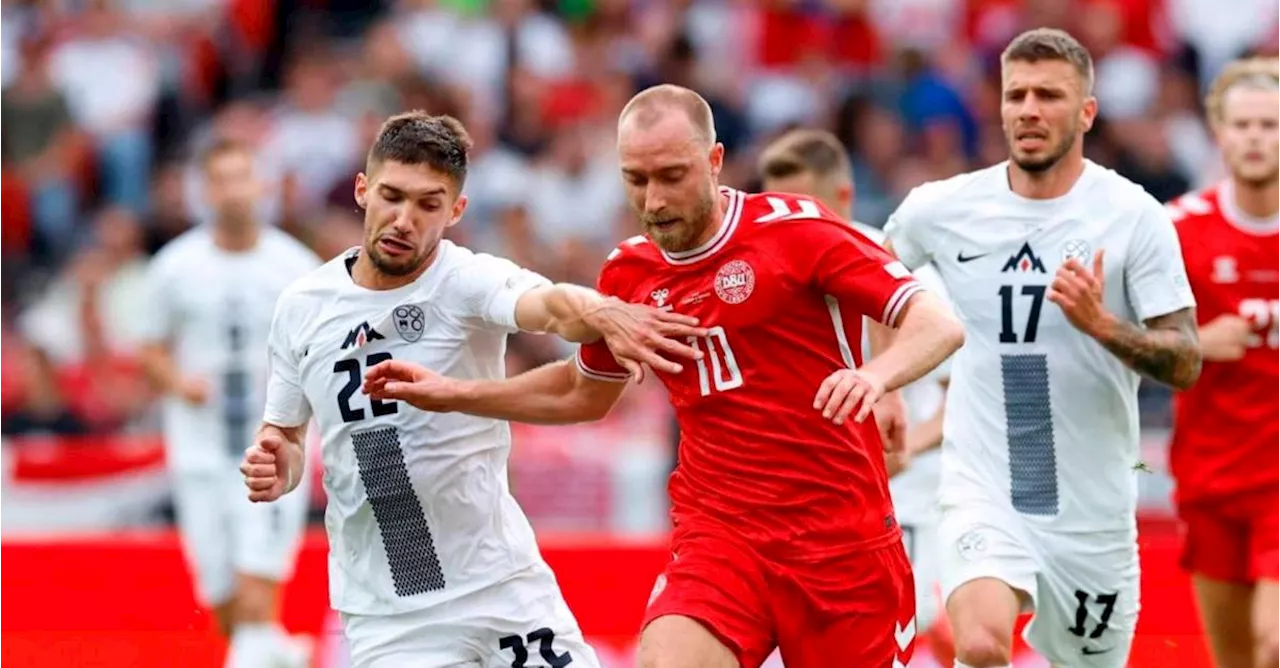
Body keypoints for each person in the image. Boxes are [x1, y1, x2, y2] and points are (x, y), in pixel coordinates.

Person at [362, 85, 967, 668]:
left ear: (715, 161)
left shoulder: (796, 231)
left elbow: (936, 323)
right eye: (636, 179)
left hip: (840, 543)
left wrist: (875, 376)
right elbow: (582, 392)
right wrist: (455, 395)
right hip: (721, 539)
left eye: (672, 176)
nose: (653, 200)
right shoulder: (628, 274)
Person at [237, 111, 703, 668]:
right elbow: (286, 435)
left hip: (501, 585)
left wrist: (603, 311)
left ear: (456, 211)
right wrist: (276, 463)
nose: (404, 219)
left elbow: (552, 306)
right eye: (392, 196)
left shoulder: (465, 282)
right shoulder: (302, 307)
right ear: (363, 190)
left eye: (428, 204)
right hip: (392, 616)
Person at [878, 28, 1204, 668]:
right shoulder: (940, 209)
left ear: (1086, 112)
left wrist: (1103, 325)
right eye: (1015, 94)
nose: (1029, 109)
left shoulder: (1132, 216)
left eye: (1049, 95)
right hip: (984, 484)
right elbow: (874, 277)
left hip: (1093, 507)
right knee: (978, 644)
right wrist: (886, 382)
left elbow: (1186, 357)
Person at [757, 127, 957, 667]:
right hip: (801, 504)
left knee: (902, 634)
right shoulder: (763, 273)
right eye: (774, 207)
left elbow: (964, 396)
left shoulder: (897, 270)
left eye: (801, 206)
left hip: (899, 496)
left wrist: (905, 446)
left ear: (842, 197)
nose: (787, 222)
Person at [137, 138, 321, 668]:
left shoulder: (294, 266)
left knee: (256, 590)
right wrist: (178, 382)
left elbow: (324, 346)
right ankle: (286, 656)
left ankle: (266, 651)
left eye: (243, 177)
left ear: (261, 185)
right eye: (221, 180)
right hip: (198, 451)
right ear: (204, 191)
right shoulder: (174, 267)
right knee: (225, 602)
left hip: (271, 449)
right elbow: (149, 348)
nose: (234, 191)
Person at [1165, 56, 1280, 668]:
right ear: (1219, 131)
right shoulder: (1176, 229)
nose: (1256, 137)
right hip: (1209, 476)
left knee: (1276, 643)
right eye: (1243, 125)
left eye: (1270, 124)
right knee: (1236, 659)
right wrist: (1193, 343)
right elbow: (1119, 334)